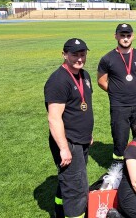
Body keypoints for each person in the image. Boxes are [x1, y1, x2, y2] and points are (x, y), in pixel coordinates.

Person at [45, 38, 94, 218]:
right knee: (76, 189)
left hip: (81, 139)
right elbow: (54, 118)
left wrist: (88, 133)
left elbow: (83, 106)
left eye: (83, 54)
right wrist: (64, 148)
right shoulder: (58, 80)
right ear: (64, 54)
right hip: (69, 141)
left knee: (70, 182)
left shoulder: (85, 75)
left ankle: (60, 211)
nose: (79, 58)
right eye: (75, 54)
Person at [98, 23, 136, 162]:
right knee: (120, 137)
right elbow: (102, 81)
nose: (126, 38)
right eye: (122, 35)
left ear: (133, 36)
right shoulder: (107, 58)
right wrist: (117, 92)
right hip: (119, 106)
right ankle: (119, 166)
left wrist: (135, 89)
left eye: (128, 35)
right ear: (116, 36)